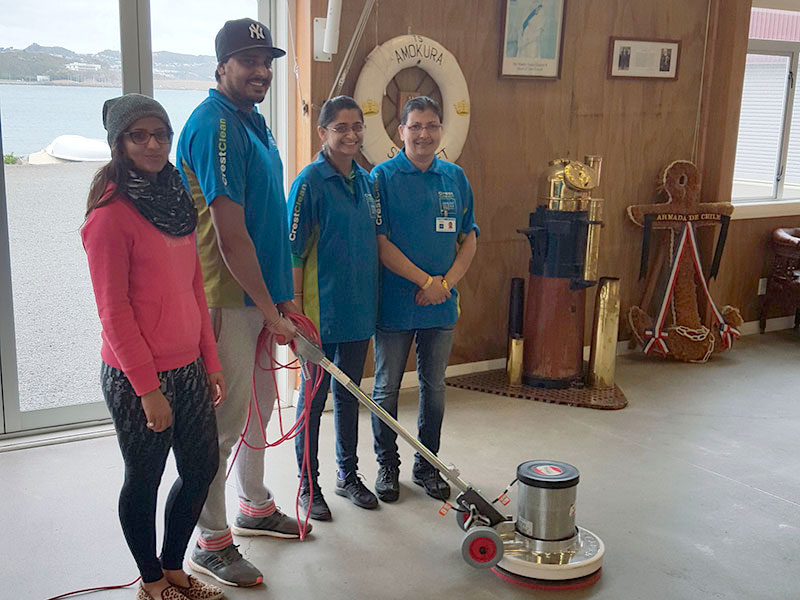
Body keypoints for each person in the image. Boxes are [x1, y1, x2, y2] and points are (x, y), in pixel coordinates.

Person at [176, 18, 304, 588]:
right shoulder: (215, 125)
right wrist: (269, 307)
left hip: (261, 298)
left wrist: (281, 300)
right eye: (248, 60)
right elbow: (230, 236)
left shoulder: (253, 122)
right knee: (222, 425)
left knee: (259, 409)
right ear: (221, 66)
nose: (260, 71)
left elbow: (267, 222)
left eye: (266, 61)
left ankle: (254, 504)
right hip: (227, 298)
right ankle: (212, 541)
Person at [82, 93, 226, 600]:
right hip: (135, 377)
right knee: (143, 479)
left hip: (188, 367)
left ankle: (175, 569)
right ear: (119, 143)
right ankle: (150, 582)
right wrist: (147, 389)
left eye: (160, 134)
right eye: (138, 135)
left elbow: (195, 287)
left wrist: (209, 360)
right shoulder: (109, 216)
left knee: (201, 468)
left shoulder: (176, 202)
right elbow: (113, 312)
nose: (153, 144)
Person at [370, 96, 479, 503]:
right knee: (386, 389)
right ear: (401, 132)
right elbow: (381, 244)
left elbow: (469, 237)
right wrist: (425, 281)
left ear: (440, 131)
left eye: (431, 126)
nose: (423, 134)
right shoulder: (380, 177)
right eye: (415, 126)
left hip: (441, 305)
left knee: (434, 389)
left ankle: (427, 465)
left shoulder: (455, 177)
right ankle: (388, 465)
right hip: (397, 303)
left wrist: (445, 284)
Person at [287, 96, 380, 521]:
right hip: (319, 320)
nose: (351, 134)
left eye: (357, 126)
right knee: (312, 400)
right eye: (341, 127)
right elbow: (292, 255)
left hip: (358, 314)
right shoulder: (309, 182)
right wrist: (296, 319)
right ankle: (309, 484)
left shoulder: (366, 181)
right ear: (323, 133)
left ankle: (348, 475)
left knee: (349, 398)